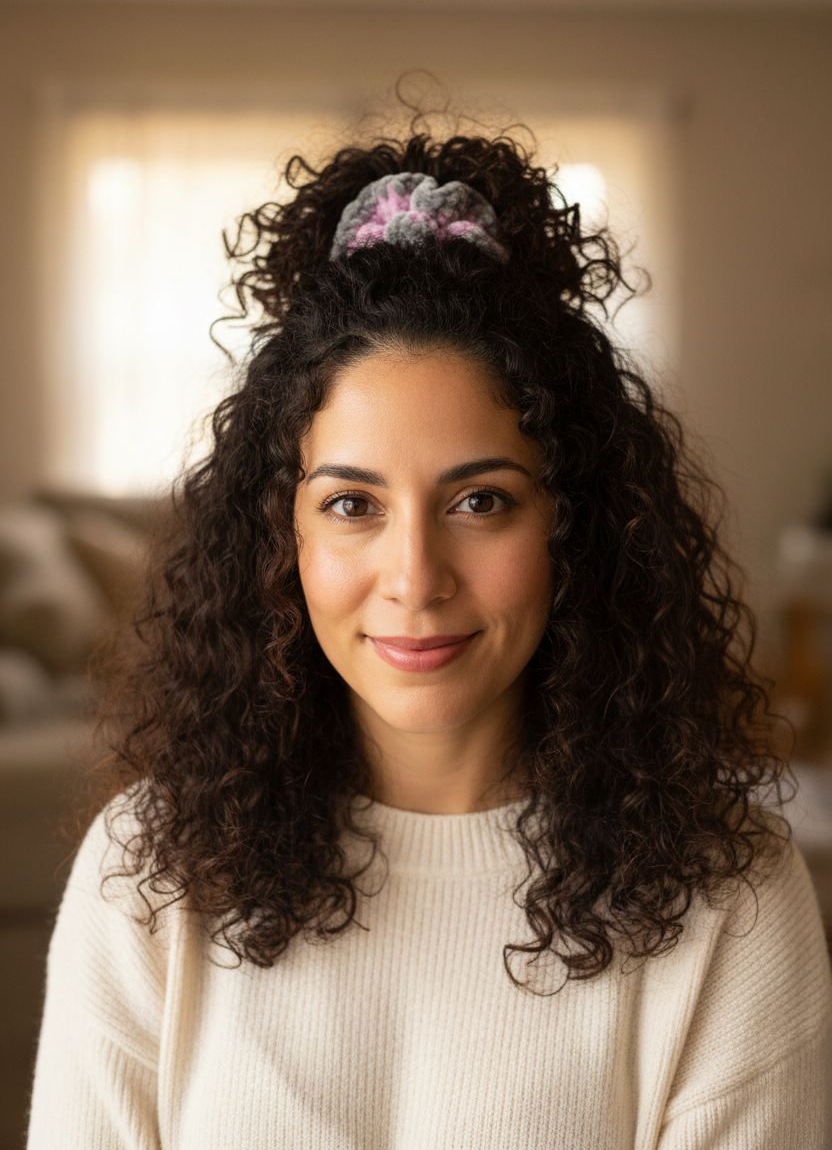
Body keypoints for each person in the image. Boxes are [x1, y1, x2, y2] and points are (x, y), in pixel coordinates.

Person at [28, 128, 832, 1149]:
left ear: (573, 525)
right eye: (352, 505)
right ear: (284, 539)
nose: (414, 578)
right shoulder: (151, 870)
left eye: (480, 500)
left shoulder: (732, 888)